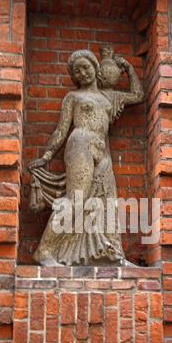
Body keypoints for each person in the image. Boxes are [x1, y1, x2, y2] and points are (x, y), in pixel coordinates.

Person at [27, 49, 144, 266]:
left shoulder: (110, 96)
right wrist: (47, 156)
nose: (82, 73)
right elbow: (61, 130)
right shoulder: (73, 97)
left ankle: (114, 255)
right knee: (76, 199)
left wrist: (127, 67)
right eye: (77, 71)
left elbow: (138, 95)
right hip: (80, 143)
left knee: (108, 203)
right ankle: (44, 250)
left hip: (102, 151)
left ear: (95, 67)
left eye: (85, 67)